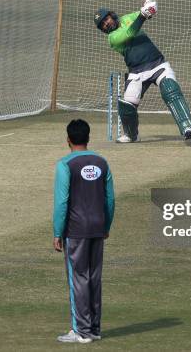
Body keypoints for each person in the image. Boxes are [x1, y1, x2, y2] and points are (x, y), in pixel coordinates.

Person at [94, 0, 191, 142]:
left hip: (158, 65)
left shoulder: (127, 18)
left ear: (112, 15)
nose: (106, 24)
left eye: (106, 19)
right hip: (137, 72)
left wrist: (150, 7)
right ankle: (131, 135)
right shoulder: (112, 38)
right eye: (103, 25)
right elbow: (130, 32)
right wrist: (143, 15)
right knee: (127, 105)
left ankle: (187, 127)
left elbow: (145, 14)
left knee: (170, 90)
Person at [53, 119, 115, 343]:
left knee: (78, 278)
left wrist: (57, 232)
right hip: (98, 227)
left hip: (76, 231)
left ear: (67, 139)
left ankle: (82, 331)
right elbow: (110, 198)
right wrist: (106, 225)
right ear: (88, 138)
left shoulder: (64, 164)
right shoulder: (102, 162)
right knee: (94, 278)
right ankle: (94, 328)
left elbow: (61, 202)